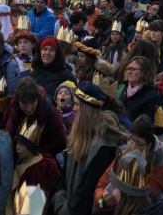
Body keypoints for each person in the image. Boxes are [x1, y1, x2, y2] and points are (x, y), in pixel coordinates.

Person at [94, 114, 163, 215]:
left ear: (150, 144)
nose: (134, 147)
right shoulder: (123, 159)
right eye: (132, 140)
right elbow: (99, 189)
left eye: (139, 143)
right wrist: (102, 201)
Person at [52, 82, 129, 215]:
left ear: (87, 110)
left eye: (77, 105)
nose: (74, 109)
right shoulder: (77, 136)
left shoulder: (103, 146)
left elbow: (87, 192)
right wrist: (60, 199)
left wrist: (65, 210)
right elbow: (64, 177)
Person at [25, 36, 75, 100]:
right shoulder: (33, 74)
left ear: (56, 54)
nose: (47, 53)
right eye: (45, 49)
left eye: (52, 50)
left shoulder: (65, 75)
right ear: (40, 52)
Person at [115, 55, 160, 122]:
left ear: (144, 72)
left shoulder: (152, 96)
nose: (129, 72)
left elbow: (148, 123)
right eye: (128, 69)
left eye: (133, 69)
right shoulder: (122, 87)